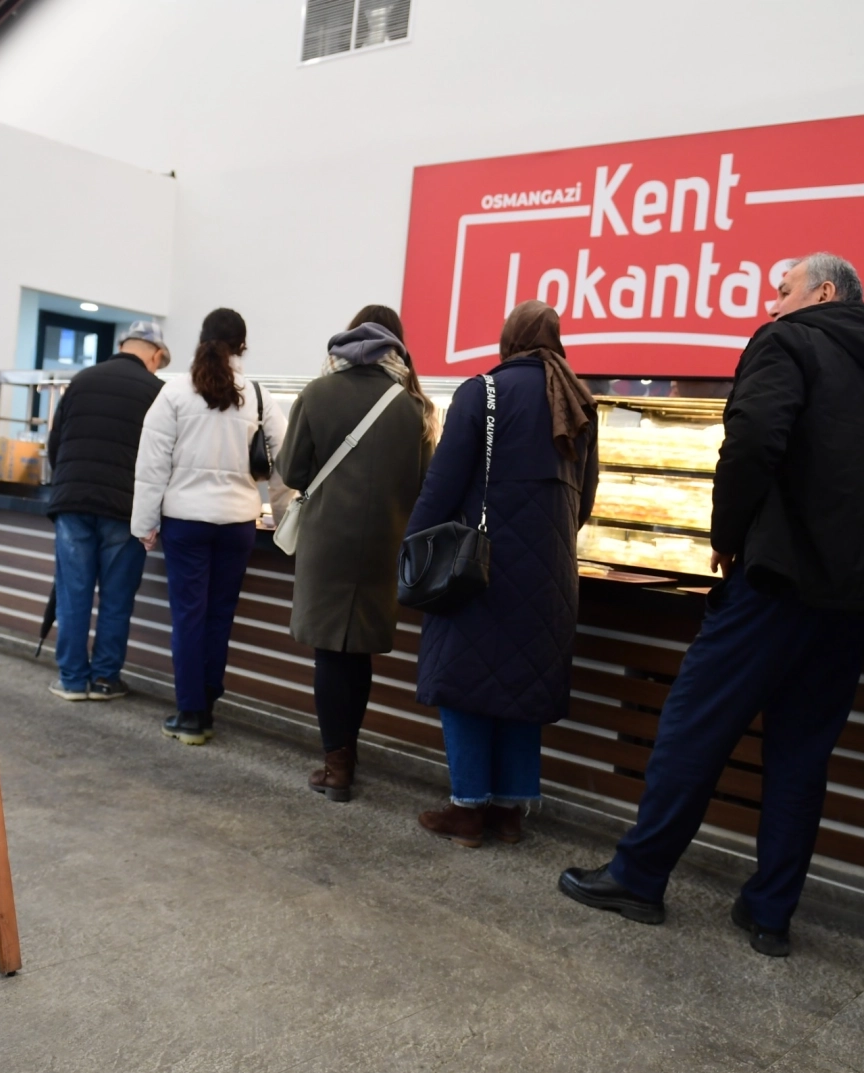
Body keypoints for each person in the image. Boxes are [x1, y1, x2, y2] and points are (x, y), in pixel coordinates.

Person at [559, 253, 864, 954]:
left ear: (823, 293)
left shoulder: (788, 342)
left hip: (776, 585)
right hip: (853, 607)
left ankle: (638, 877)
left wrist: (729, 538)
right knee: (801, 756)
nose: (771, 305)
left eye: (782, 290)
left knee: (693, 727)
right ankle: (770, 913)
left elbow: (754, 441)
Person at [406, 300, 598, 847]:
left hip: (481, 567)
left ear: (509, 339)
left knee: (463, 681)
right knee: (523, 684)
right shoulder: (580, 402)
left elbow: (442, 485)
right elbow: (584, 501)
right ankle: (510, 811)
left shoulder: (483, 392)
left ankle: (467, 810)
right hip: (551, 573)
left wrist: (412, 546)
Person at [275, 304, 436, 801]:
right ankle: (348, 752)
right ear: (397, 345)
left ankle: (337, 765)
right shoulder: (413, 406)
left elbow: (292, 471)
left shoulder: (318, 393)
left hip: (327, 543)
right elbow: (424, 485)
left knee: (330, 654)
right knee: (359, 654)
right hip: (383, 545)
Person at [132, 308, 290, 745]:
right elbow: (286, 462)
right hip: (237, 523)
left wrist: (144, 523)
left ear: (201, 339)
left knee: (189, 617)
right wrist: (282, 519)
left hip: (185, 523)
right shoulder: (257, 396)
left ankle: (190, 715)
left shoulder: (174, 392)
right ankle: (208, 704)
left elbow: (152, 464)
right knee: (220, 616)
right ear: (242, 346)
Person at [44, 318, 170, 702]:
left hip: (73, 501)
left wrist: (69, 482)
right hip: (124, 508)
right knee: (116, 598)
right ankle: (104, 680)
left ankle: (71, 680)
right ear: (155, 354)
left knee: (73, 594)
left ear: (121, 346)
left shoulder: (81, 380)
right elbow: (165, 457)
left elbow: (55, 443)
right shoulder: (158, 392)